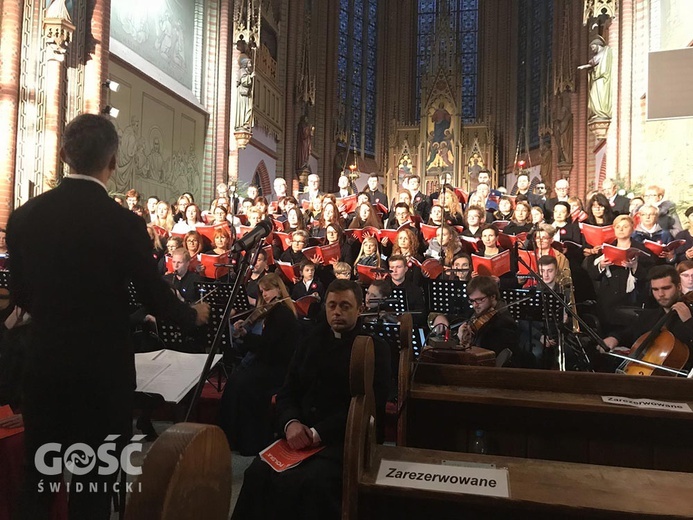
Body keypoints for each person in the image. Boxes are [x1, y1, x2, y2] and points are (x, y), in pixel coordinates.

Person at [6, 114, 210, 520]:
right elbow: (156, 296)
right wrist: (194, 316)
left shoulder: (23, 218)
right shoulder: (125, 224)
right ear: (114, 161)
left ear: (63, 154)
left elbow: (21, 294)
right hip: (102, 377)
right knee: (94, 490)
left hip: (44, 367)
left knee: (39, 485)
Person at [232, 280, 390, 520]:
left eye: (345, 306)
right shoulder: (309, 342)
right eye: (332, 305)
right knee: (258, 472)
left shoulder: (374, 348)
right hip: (298, 435)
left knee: (310, 483)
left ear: (359, 309)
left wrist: (316, 433)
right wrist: (291, 423)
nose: (337, 312)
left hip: (343, 441)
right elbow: (288, 392)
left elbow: (371, 406)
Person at [220, 273, 298, 455]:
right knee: (236, 381)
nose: (265, 295)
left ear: (279, 289)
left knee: (240, 383)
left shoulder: (282, 314)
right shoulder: (274, 312)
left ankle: (244, 440)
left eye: (268, 290)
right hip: (269, 363)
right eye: (262, 292)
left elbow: (268, 347)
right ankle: (234, 438)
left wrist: (246, 336)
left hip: (278, 368)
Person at [602, 265, 693, 373]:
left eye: (666, 288)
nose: (660, 294)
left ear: (678, 287)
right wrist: (615, 338)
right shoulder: (649, 316)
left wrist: (689, 322)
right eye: (655, 289)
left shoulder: (689, 316)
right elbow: (629, 333)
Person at [456, 275, 521, 363]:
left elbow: (487, 359)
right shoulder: (480, 311)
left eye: (480, 300)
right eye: (472, 301)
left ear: (493, 297)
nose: (475, 305)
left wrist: (465, 344)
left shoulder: (504, 323)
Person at [578, 35, 613, 121]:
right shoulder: (601, 53)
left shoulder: (605, 51)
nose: (592, 49)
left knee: (597, 96)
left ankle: (601, 113)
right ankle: (596, 113)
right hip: (597, 79)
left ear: (598, 45)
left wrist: (585, 66)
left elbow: (593, 61)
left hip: (601, 79)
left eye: (593, 47)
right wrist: (584, 66)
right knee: (593, 99)